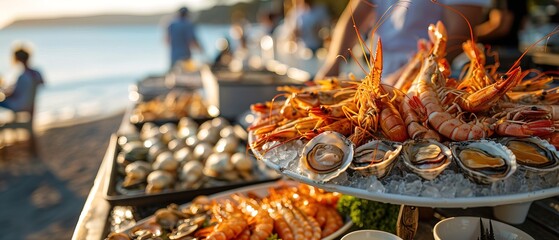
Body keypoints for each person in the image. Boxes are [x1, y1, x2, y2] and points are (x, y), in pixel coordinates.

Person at [314, 0, 491, 81]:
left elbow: (460, 32)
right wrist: (333, 64)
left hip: (429, 79)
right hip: (381, 75)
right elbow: (355, 15)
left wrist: (404, 77)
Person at [0, 46, 44, 113]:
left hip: (18, 106)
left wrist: (2, 90)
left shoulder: (22, 76)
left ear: (17, 59)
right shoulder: (36, 73)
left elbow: (13, 94)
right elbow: (42, 84)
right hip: (31, 106)